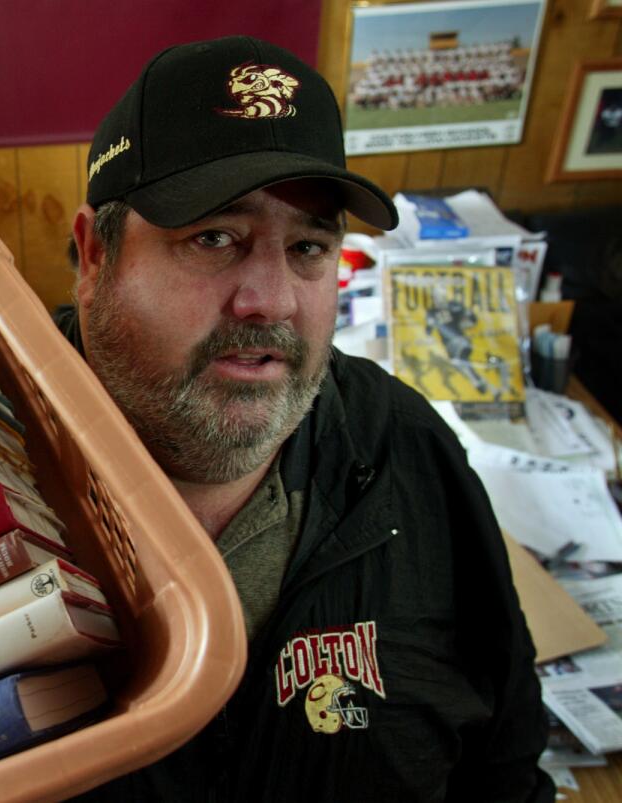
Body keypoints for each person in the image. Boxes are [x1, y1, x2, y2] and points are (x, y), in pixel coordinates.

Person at [54, 36, 553, 802]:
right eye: (214, 237)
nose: (272, 300)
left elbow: (507, 765)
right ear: (94, 257)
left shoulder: (406, 446)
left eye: (310, 245)